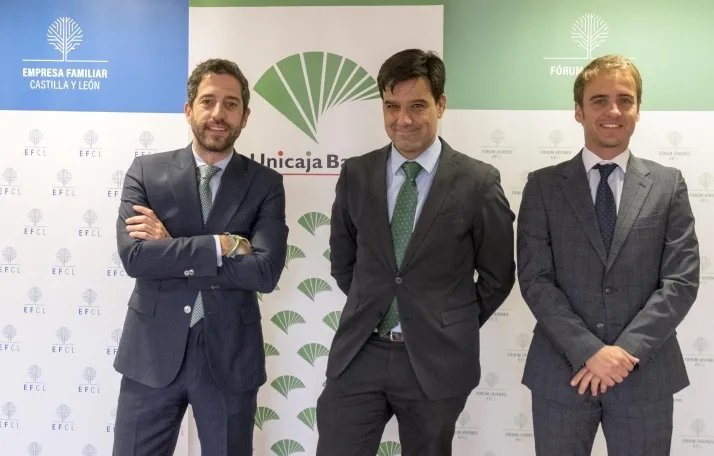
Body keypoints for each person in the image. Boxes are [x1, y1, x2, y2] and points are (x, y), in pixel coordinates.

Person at [316, 48, 516, 456]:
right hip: (361, 351)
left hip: (437, 360)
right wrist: (375, 302)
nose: (403, 119)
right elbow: (344, 262)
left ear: (440, 105)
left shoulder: (478, 182)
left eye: (417, 106)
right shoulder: (356, 174)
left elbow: (497, 276)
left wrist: (447, 321)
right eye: (392, 106)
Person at [517, 54, 700, 455]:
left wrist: (624, 352)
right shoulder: (543, 187)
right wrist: (588, 351)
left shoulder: (668, 186)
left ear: (638, 110)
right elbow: (535, 280)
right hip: (562, 373)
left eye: (625, 100)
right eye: (599, 100)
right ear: (578, 111)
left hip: (645, 375)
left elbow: (681, 281)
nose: (613, 111)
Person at [112, 58, 288, 456]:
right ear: (189, 109)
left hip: (230, 358)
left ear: (245, 116)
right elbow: (136, 258)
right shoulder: (146, 172)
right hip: (150, 353)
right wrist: (221, 245)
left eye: (231, 104)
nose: (218, 114)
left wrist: (170, 246)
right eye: (208, 101)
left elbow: (264, 272)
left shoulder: (265, 184)